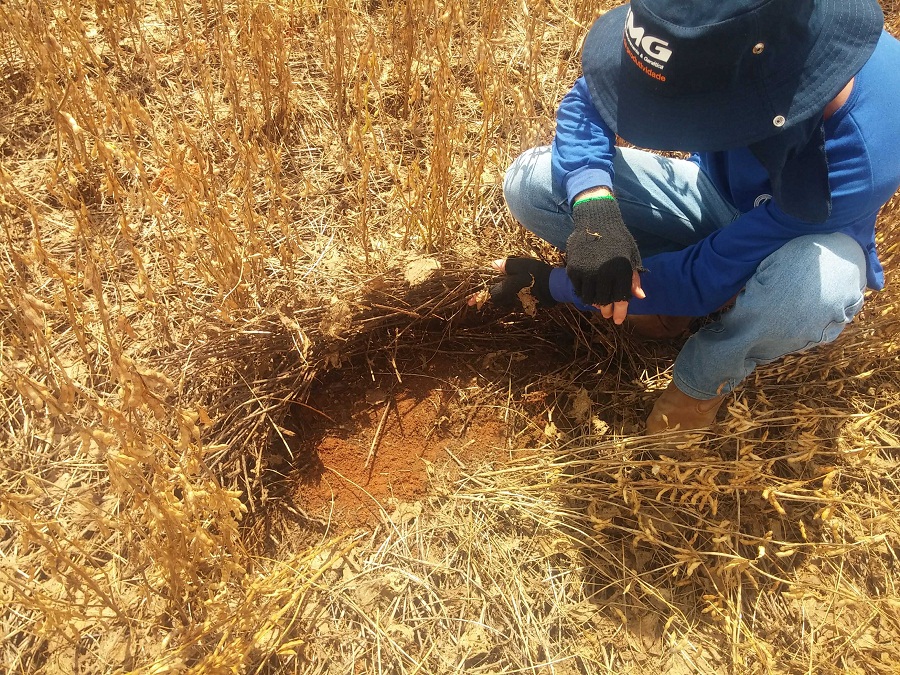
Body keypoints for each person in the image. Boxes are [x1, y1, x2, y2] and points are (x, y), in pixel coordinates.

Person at [474, 0, 900, 434]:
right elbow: (592, 100)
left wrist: (556, 285)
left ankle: (703, 380)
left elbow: (708, 273)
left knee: (814, 287)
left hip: (802, 239)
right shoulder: (709, 24)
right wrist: (593, 207)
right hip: (710, 192)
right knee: (534, 184)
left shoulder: (863, 153)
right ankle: (659, 290)